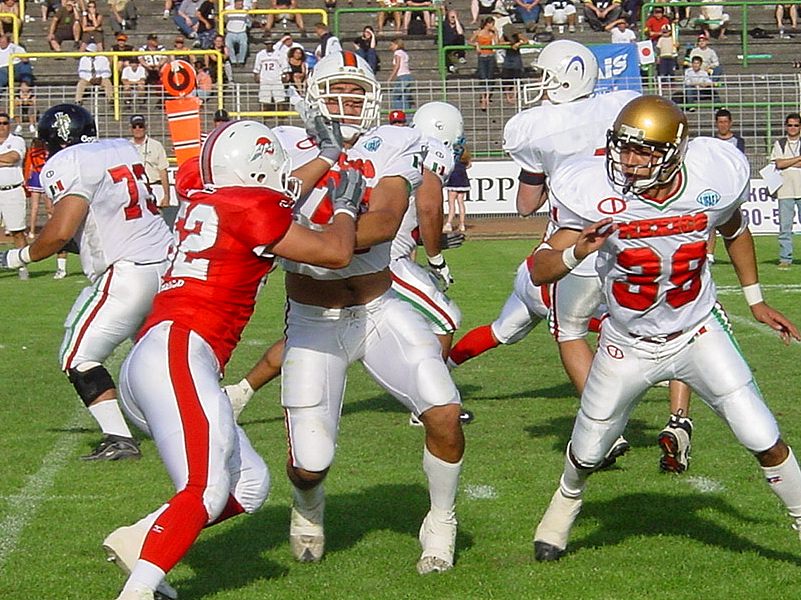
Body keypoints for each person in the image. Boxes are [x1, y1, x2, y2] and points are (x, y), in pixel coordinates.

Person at [529, 95, 801, 563]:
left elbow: (734, 228)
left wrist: (755, 300)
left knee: (762, 434)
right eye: (624, 148)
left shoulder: (712, 176)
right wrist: (577, 252)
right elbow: (540, 268)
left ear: (674, 152)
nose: (629, 161)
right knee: (588, 450)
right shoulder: (594, 190)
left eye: (643, 151)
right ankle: (566, 499)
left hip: (697, 332)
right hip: (627, 343)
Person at [226, 51, 465, 574]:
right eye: (338, 90)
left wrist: (308, 238)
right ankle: (308, 504)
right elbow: (254, 214)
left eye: (357, 92)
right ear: (314, 94)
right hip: (313, 321)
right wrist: (313, 232)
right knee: (309, 464)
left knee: (444, 409)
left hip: (379, 308)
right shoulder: (280, 145)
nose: (348, 101)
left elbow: (385, 220)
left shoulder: (394, 142)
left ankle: (441, 521)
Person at [103, 120, 362, 600]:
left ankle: (143, 538)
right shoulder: (251, 207)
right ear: (257, 167)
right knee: (204, 487)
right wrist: (345, 206)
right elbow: (335, 252)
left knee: (249, 485)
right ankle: (138, 592)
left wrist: (327, 156)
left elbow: (278, 192)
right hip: (180, 352)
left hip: (163, 355)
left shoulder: (206, 193)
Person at [0, 104, 173, 461]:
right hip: (166, 266)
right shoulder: (120, 147)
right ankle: (188, 421)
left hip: (128, 273)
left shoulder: (69, 161)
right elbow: (97, 227)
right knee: (156, 357)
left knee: (76, 355)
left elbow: (60, 231)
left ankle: (119, 438)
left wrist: (15, 257)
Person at [770, 112, 801, 270]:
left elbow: (783, 163)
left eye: (796, 125)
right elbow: (779, 164)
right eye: (790, 125)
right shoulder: (780, 143)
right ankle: (785, 258)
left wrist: (786, 162)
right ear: (786, 126)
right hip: (785, 190)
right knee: (785, 228)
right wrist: (798, 159)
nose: (793, 128)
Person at [129, 114, 171, 223]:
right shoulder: (127, 147)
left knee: (157, 222)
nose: (138, 129)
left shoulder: (156, 145)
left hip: (154, 188)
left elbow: (163, 171)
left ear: (145, 127)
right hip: (136, 191)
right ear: (131, 129)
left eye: (140, 126)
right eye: (134, 126)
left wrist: (166, 195)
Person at [0, 111, 28, 279]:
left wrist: (7, 160)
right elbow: (8, 160)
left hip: (12, 190)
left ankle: (22, 266)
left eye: (5, 123)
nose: (2, 127)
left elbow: (13, 158)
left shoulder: (16, 140)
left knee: (17, 231)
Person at [471, 16, 498, 111]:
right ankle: (483, 97)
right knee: (483, 77)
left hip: (490, 56)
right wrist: (476, 44)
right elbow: (470, 41)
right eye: (492, 24)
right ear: (488, 24)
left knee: (490, 77)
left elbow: (497, 43)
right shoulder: (479, 32)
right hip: (482, 57)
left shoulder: (491, 33)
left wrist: (496, 33)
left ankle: (487, 97)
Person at [253, 38, 286, 110]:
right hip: (264, 80)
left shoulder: (279, 54)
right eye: (267, 44)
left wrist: (284, 75)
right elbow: (257, 67)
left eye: (270, 44)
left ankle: (281, 116)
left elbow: (284, 66)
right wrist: (256, 75)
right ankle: (264, 116)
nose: (269, 46)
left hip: (277, 79)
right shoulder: (260, 54)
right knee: (264, 100)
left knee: (280, 99)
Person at [444, 144, 470, 233]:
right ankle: (462, 224)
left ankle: (449, 224)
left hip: (453, 180)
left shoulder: (452, 158)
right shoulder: (465, 158)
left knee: (451, 204)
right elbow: (469, 165)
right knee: (461, 203)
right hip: (462, 180)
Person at [500, 27, 528, 105]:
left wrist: (518, 43)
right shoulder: (504, 36)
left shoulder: (518, 35)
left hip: (516, 58)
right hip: (508, 58)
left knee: (517, 78)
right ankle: (508, 97)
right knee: (506, 78)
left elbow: (526, 41)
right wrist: (509, 43)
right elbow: (500, 42)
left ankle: (514, 96)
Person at [387, 38, 413, 110]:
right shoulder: (404, 53)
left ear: (396, 45)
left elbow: (397, 65)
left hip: (402, 76)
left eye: (392, 45)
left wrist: (391, 77)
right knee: (405, 98)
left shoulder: (397, 53)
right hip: (408, 76)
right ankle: (407, 113)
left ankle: (398, 112)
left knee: (396, 97)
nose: (390, 47)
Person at [224, 0, 249, 65]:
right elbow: (223, 17)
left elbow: (249, 18)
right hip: (230, 32)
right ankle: (233, 61)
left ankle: (241, 61)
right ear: (235, 3)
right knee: (228, 44)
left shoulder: (246, 9)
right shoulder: (228, 9)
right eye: (239, 4)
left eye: (241, 4)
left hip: (242, 32)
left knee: (244, 44)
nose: (240, 5)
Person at [442, 8, 466, 73]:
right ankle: (450, 66)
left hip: (456, 43)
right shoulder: (444, 24)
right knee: (443, 51)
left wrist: (456, 20)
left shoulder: (459, 25)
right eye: (451, 17)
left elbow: (460, 32)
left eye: (454, 17)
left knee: (461, 37)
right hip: (446, 43)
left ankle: (461, 56)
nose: (452, 18)